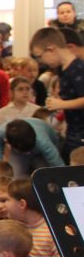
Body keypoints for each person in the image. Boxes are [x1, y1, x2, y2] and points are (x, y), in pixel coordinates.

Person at [31, 26, 84, 158]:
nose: (41, 61)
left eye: (40, 56)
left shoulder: (78, 69)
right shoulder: (62, 69)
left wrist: (61, 104)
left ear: (51, 49)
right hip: (73, 129)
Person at [6, 178, 61, 257]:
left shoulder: (54, 232)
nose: (3, 206)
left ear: (22, 204)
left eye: (6, 200)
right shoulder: (14, 229)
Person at [0, 118, 65, 177]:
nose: (27, 153)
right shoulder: (0, 133)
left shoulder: (44, 143)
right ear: (6, 141)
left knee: (44, 175)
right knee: (16, 176)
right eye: (24, 151)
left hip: (41, 152)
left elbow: (59, 167)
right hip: (17, 151)